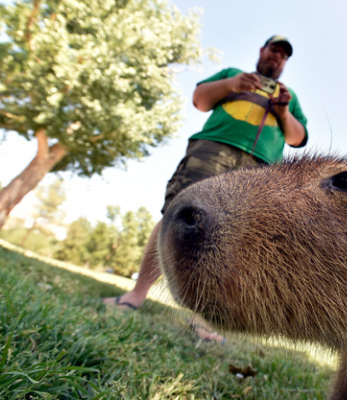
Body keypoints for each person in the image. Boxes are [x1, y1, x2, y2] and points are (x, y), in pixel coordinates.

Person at [102, 35, 308, 342]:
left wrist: (283, 112)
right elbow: (200, 100)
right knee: (176, 214)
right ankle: (137, 293)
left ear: (285, 63)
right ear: (261, 51)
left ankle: (204, 320)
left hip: (261, 168)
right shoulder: (231, 75)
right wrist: (234, 85)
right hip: (212, 149)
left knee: (235, 239)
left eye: (283, 55)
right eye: (273, 50)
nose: (277, 57)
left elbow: (297, 137)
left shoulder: (290, 97)